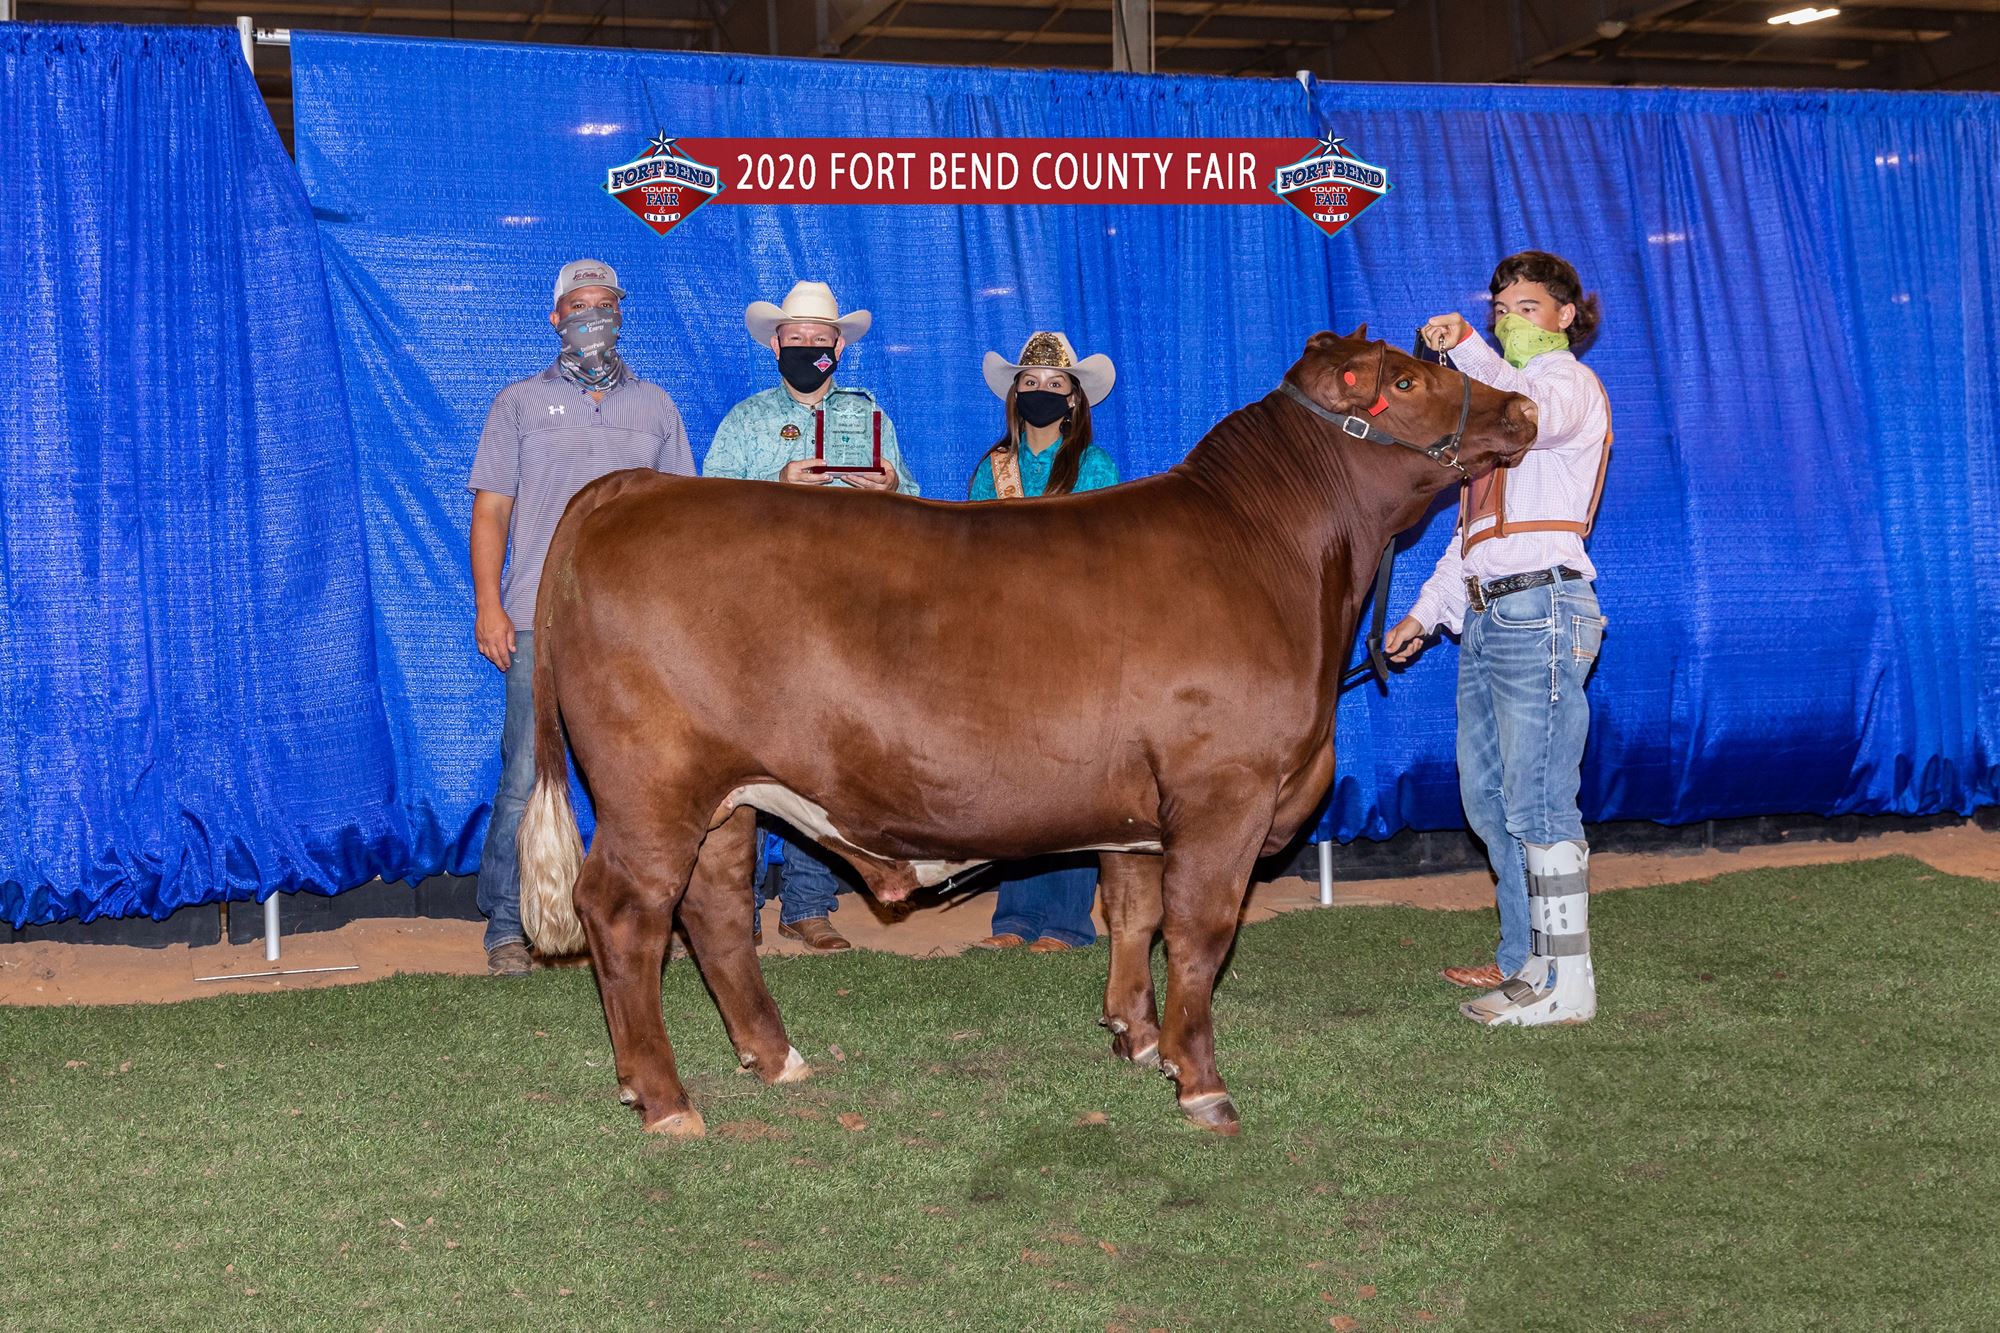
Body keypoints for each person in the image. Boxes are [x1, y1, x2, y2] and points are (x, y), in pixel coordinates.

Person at [1385, 250, 1611, 1027]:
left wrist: (1466, 351)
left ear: (1566, 315)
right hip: (1488, 611)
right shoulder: (1496, 427)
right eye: (1500, 308)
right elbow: (1473, 540)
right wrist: (1422, 615)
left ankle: (1568, 981)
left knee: (1539, 798)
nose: (1507, 320)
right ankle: (1527, 959)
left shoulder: (1564, 387)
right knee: (1491, 798)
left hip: (1543, 606)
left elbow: (1525, 415)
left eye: (1525, 307)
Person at [467, 259, 695, 976]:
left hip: (635, 627)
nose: (594, 314)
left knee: (649, 778)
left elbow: (681, 518)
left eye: (606, 304)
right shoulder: (520, 404)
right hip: (541, 617)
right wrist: (489, 605)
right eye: (580, 304)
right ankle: (508, 925)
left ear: (622, 315)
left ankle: (650, 913)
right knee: (528, 775)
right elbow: (491, 508)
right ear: (555, 317)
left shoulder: (656, 406)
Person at [705, 280, 919, 952]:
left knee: (821, 758)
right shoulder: (743, 422)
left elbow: (914, 502)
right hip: (758, 608)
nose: (806, 348)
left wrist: (891, 488)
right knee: (740, 755)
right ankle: (731, 908)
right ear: (776, 345)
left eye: (818, 341)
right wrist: (776, 488)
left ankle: (806, 902)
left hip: (844, 609)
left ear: (838, 349)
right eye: (794, 339)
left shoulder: (870, 419)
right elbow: (705, 508)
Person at [967, 332, 1120, 952]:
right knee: (1019, 778)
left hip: (1074, 636)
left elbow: (1106, 555)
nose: (1039, 394)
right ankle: (1015, 919)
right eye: (1027, 385)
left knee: (1075, 776)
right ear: (1014, 396)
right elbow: (971, 551)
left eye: (1053, 386)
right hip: (1007, 637)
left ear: (1075, 400)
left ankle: (1066, 921)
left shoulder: (1095, 467)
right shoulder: (991, 467)